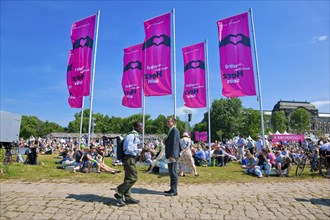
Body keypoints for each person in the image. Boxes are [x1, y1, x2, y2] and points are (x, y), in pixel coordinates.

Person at [114, 121, 143, 206]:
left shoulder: (134, 135)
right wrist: (140, 150)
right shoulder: (131, 136)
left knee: (128, 178)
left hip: (130, 158)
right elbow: (128, 148)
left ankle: (128, 197)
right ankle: (119, 192)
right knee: (134, 177)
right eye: (141, 127)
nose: (142, 128)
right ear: (137, 127)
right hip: (129, 158)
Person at [164, 117, 181, 197]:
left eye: (168, 121)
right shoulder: (171, 130)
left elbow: (174, 144)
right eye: (167, 121)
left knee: (173, 172)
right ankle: (172, 188)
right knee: (171, 172)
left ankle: (174, 191)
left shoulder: (174, 130)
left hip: (172, 155)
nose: (167, 123)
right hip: (170, 154)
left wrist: (172, 155)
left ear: (173, 122)